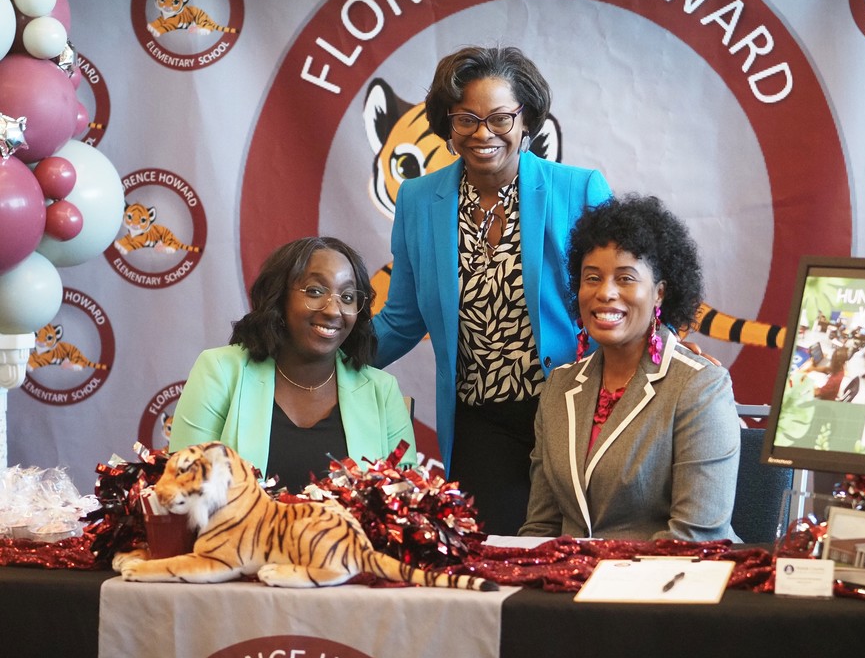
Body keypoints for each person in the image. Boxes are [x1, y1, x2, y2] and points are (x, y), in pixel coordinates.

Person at [371, 45, 612, 536]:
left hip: (575, 411)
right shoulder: (419, 200)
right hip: (482, 421)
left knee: (582, 556)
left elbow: (627, 298)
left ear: (526, 120)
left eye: (500, 117)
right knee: (494, 555)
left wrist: (671, 359)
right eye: (466, 119)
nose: (483, 133)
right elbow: (400, 319)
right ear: (448, 125)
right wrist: (313, 358)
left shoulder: (579, 189)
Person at [519, 195, 741, 541]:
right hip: (566, 587)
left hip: (667, 585)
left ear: (660, 294)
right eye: (592, 278)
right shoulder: (559, 387)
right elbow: (541, 529)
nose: (605, 292)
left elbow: (696, 536)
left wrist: (595, 583)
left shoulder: (700, 387)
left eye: (625, 278)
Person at [170, 237, 416, 493]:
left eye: (347, 296)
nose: (333, 310)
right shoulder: (220, 371)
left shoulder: (382, 391)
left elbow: (408, 503)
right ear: (279, 298)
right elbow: (181, 490)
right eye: (315, 291)